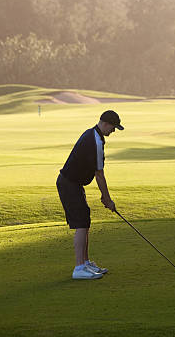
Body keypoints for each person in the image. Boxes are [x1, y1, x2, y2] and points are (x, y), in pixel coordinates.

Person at [56, 110, 124, 280]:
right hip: (68, 183)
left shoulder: (94, 135)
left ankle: (85, 263)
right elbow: (99, 174)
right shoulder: (95, 140)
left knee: (84, 220)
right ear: (106, 123)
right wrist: (107, 199)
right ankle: (79, 268)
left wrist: (104, 196)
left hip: (74, 183)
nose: (113, 131)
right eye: (113, 127)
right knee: (81, 223)